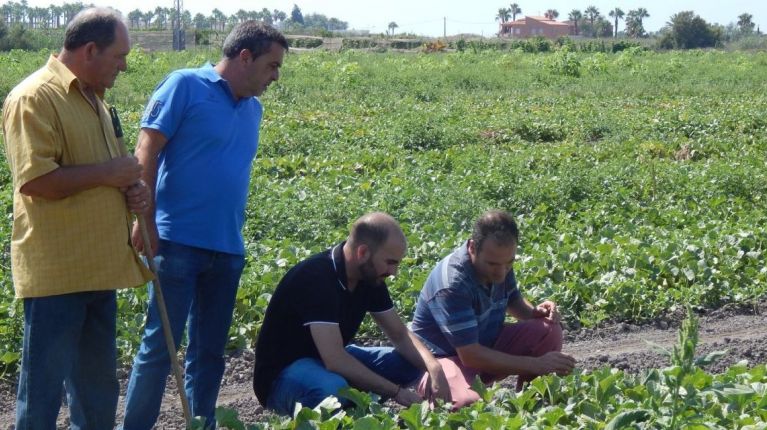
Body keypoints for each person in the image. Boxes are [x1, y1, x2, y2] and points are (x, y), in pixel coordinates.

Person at [121, 21, 288, 429]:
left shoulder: (253, 109)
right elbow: (147, 149)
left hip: (227, 248)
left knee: (210, 352)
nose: (275, 77)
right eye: (271, 66)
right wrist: (146, 220)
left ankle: (202, 423)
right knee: (160, 348)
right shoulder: (184, 86)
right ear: (244, 57)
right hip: (177, 242)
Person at [1, 8, 154, 429]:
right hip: (59, 275)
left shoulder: (95, 101)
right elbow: (35, 181)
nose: (123, 66)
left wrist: (128, 189)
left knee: (97, 391)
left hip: (99, 269)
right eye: (119, 56)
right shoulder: (33, 97)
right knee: (42, 394)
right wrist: (109, 173)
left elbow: (98, 176)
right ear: (91, 50)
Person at [253, 212, 451, 415]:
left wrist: (434, 367)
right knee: (332, 390)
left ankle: (351, 404)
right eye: (390, 262)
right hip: (282, 376)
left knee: (409, 363)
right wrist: (396, 392)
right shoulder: (317, 278)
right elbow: (335, 359)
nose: (394, 272)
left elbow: (399, 334)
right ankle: (333, 409)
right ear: (363, 252)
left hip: (327, 360)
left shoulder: (370, 275)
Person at [410, 210, 576, 409]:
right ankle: (441, 389)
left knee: (549, 329)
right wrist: (536, 364)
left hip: (483, 345)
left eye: (509, 263)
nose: (501, 273)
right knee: (465, 405)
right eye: (493, 264)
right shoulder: (452, 284)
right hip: (442, 358)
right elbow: (470, 355)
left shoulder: (500, 260)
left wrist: (537, 312)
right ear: (472, 247)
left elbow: (514, 303)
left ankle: (531, 402)